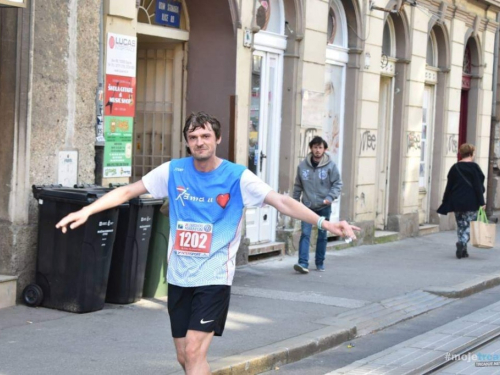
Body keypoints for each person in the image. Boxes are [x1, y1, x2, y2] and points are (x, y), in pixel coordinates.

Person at [55, 112, 359, 375]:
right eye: (193, 136)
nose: (199, 141)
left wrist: (326, 223)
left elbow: (280, 201)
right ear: (187, 141)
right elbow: (127, 192)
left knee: (195, 352)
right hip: (179, 276)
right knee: (184, 356)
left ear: (217, 138)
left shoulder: (237, 177)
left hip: (214, 276)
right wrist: (87, 210)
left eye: (205, 135)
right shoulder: (173, 171)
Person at [292, 136, 343, 273]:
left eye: (320, 147)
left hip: (324, 206)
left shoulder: (330, 166)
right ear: (311, 148)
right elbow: (298, 186)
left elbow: (337, 184)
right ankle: (303, 263)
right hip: (307, 206)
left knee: (322, 235)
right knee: (305, 234)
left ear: (325, 149)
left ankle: (320, 262)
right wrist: (294, 202)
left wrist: (329, 198)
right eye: (315, 147)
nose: (317, 150)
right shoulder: (302, 166)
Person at [437, 143, 485, 259]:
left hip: (457, 201)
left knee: (461, 225)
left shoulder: (455, 167)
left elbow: (449, 186)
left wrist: (445, 200)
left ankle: (463, 250)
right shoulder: (474, 167)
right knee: (469, 225)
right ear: (471, 153)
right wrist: (482, 202)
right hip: (471, 201)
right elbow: (478, 186)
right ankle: (462, 243)